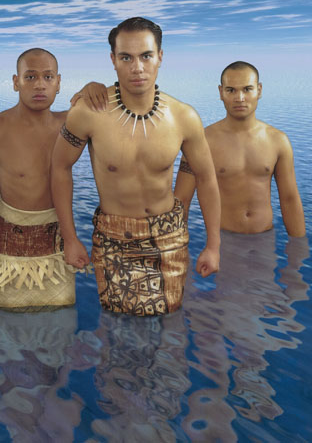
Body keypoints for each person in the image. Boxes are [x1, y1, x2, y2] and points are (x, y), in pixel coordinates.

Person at [52, 17, 220, 316]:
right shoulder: (88, 113)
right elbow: (59, 168)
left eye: (146, 56)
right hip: (113, 239)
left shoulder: (184, 117)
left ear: (160, 57)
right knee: (116, 334)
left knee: (171, 330)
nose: (137, 67)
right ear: (113, 60)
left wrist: (213, 245)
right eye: (126, 57)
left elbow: (206, 177)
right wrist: (70, 238)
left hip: (170, 239)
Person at [0, 48, 79, 311]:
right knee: (5, 342)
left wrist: (96, 88)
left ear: (59, 83)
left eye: (48, 77)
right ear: (16, 82)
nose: (40, 84)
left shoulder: (73, 124)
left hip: (60, 259)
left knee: (60, 338)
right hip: (8, 264)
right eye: (30, 77)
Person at [174, 61, 305, 237]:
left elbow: (289, 199)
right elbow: (181, 200)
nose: (240, 98)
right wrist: (174, 250)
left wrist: (299, 253)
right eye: (231, 90)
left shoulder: (278, 141)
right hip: (223, 241)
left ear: (259, 90)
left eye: (247, 89)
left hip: (265, 240)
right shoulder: (201, 142)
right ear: (221, 92)